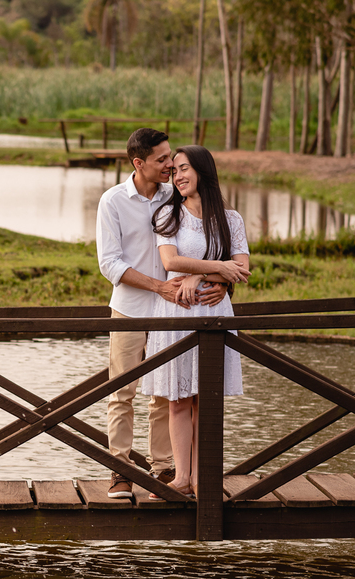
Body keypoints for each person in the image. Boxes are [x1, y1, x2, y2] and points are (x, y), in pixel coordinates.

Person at [96, 128, 227, 500]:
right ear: (139, 163)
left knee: (165, 396)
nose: (171, 165)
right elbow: (109, 263)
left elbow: (214, 242)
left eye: (172, 157)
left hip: (175, 313)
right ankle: (120, 471)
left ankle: (164, 467)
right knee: (122, 392)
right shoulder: (113, 201)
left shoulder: (177, 195)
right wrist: (159, 286)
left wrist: (223, 282)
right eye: (162, 159)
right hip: (131, 308)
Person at [140, 145, 250, 497]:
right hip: (178, 314)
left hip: (214, 314)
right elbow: (171, 261)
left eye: (184, 168)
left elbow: (243, 268)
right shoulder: (167, 216)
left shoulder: (231, 219)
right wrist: (217, 270)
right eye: (174, 172)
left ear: (203, 170)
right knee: (177, 400)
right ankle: (181, 477)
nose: (178, 176)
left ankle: (203, 477)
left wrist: (213, 281)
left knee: (207, 398)